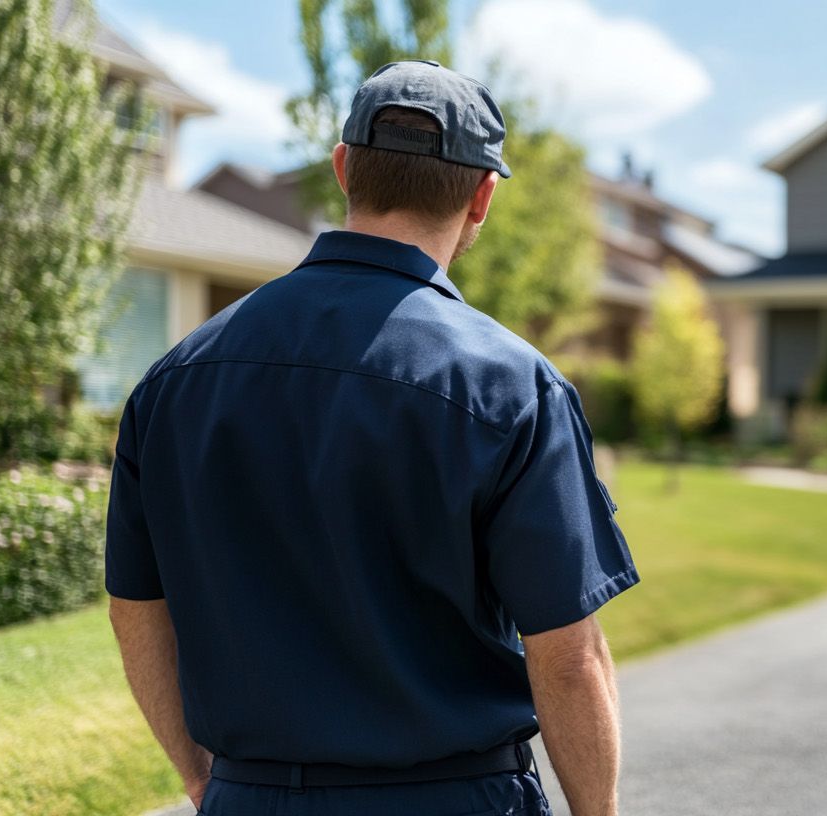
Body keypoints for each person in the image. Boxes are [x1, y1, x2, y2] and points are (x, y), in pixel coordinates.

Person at [104, 60, 639, 816]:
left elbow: (135, 607)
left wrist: (206, 781)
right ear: (483, 197)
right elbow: (570, 656)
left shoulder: (172, 382)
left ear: (343, 167)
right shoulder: (512, 386)